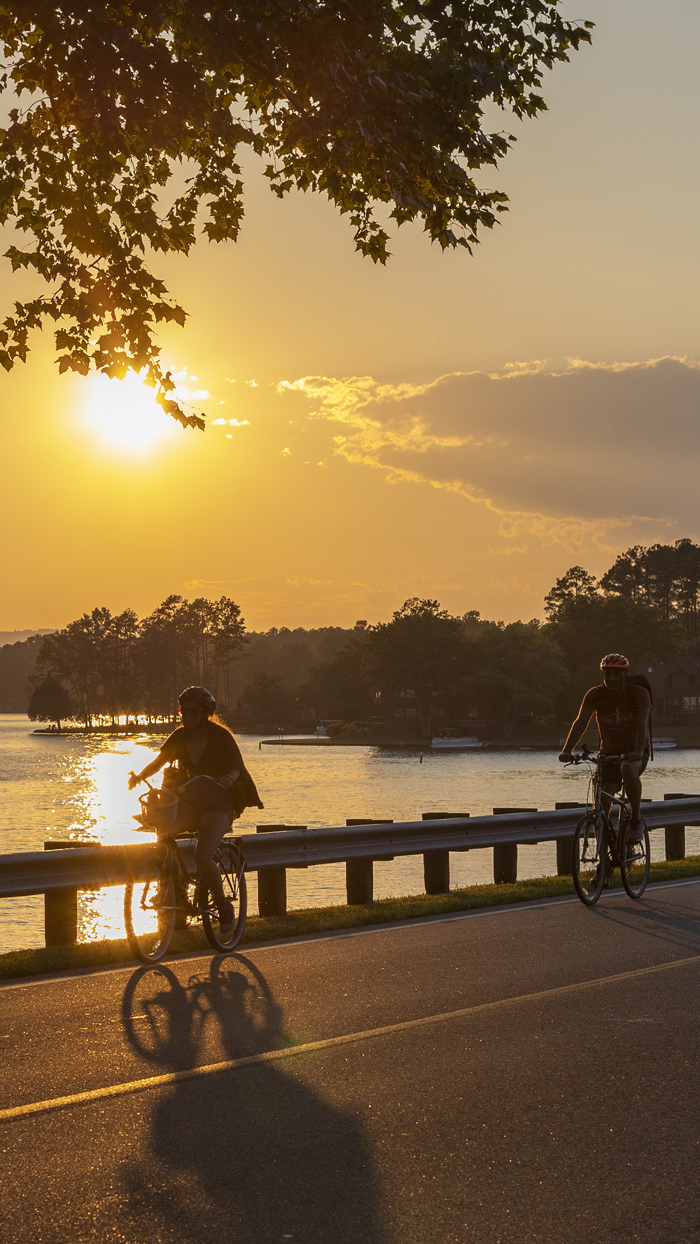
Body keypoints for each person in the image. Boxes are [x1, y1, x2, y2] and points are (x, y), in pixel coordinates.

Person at [128, 686, 263, 933]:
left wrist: (227, 780)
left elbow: (237, 768)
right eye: (182, 711)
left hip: (218, 805)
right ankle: (175, 895)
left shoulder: (221, 736)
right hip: (191, 802)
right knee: (165, 835)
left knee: (203, 855)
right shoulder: (179, 737)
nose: (186, 716)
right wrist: (139, 777)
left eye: (192, 711)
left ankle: (223, 906)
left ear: (205, 713)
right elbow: (159, 762)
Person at [559, 653, 651, 845]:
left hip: (635, 750)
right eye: (606, 674)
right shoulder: (596, 694)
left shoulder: (638, 693)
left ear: (624, 675)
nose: (610, 678)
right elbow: (581, 722)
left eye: (615, 674)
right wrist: (567, 750)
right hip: (608, 753)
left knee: (627, 768)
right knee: (602, 803)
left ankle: (635, 821)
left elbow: (643, 724)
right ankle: (604, 860)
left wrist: (638, 752)